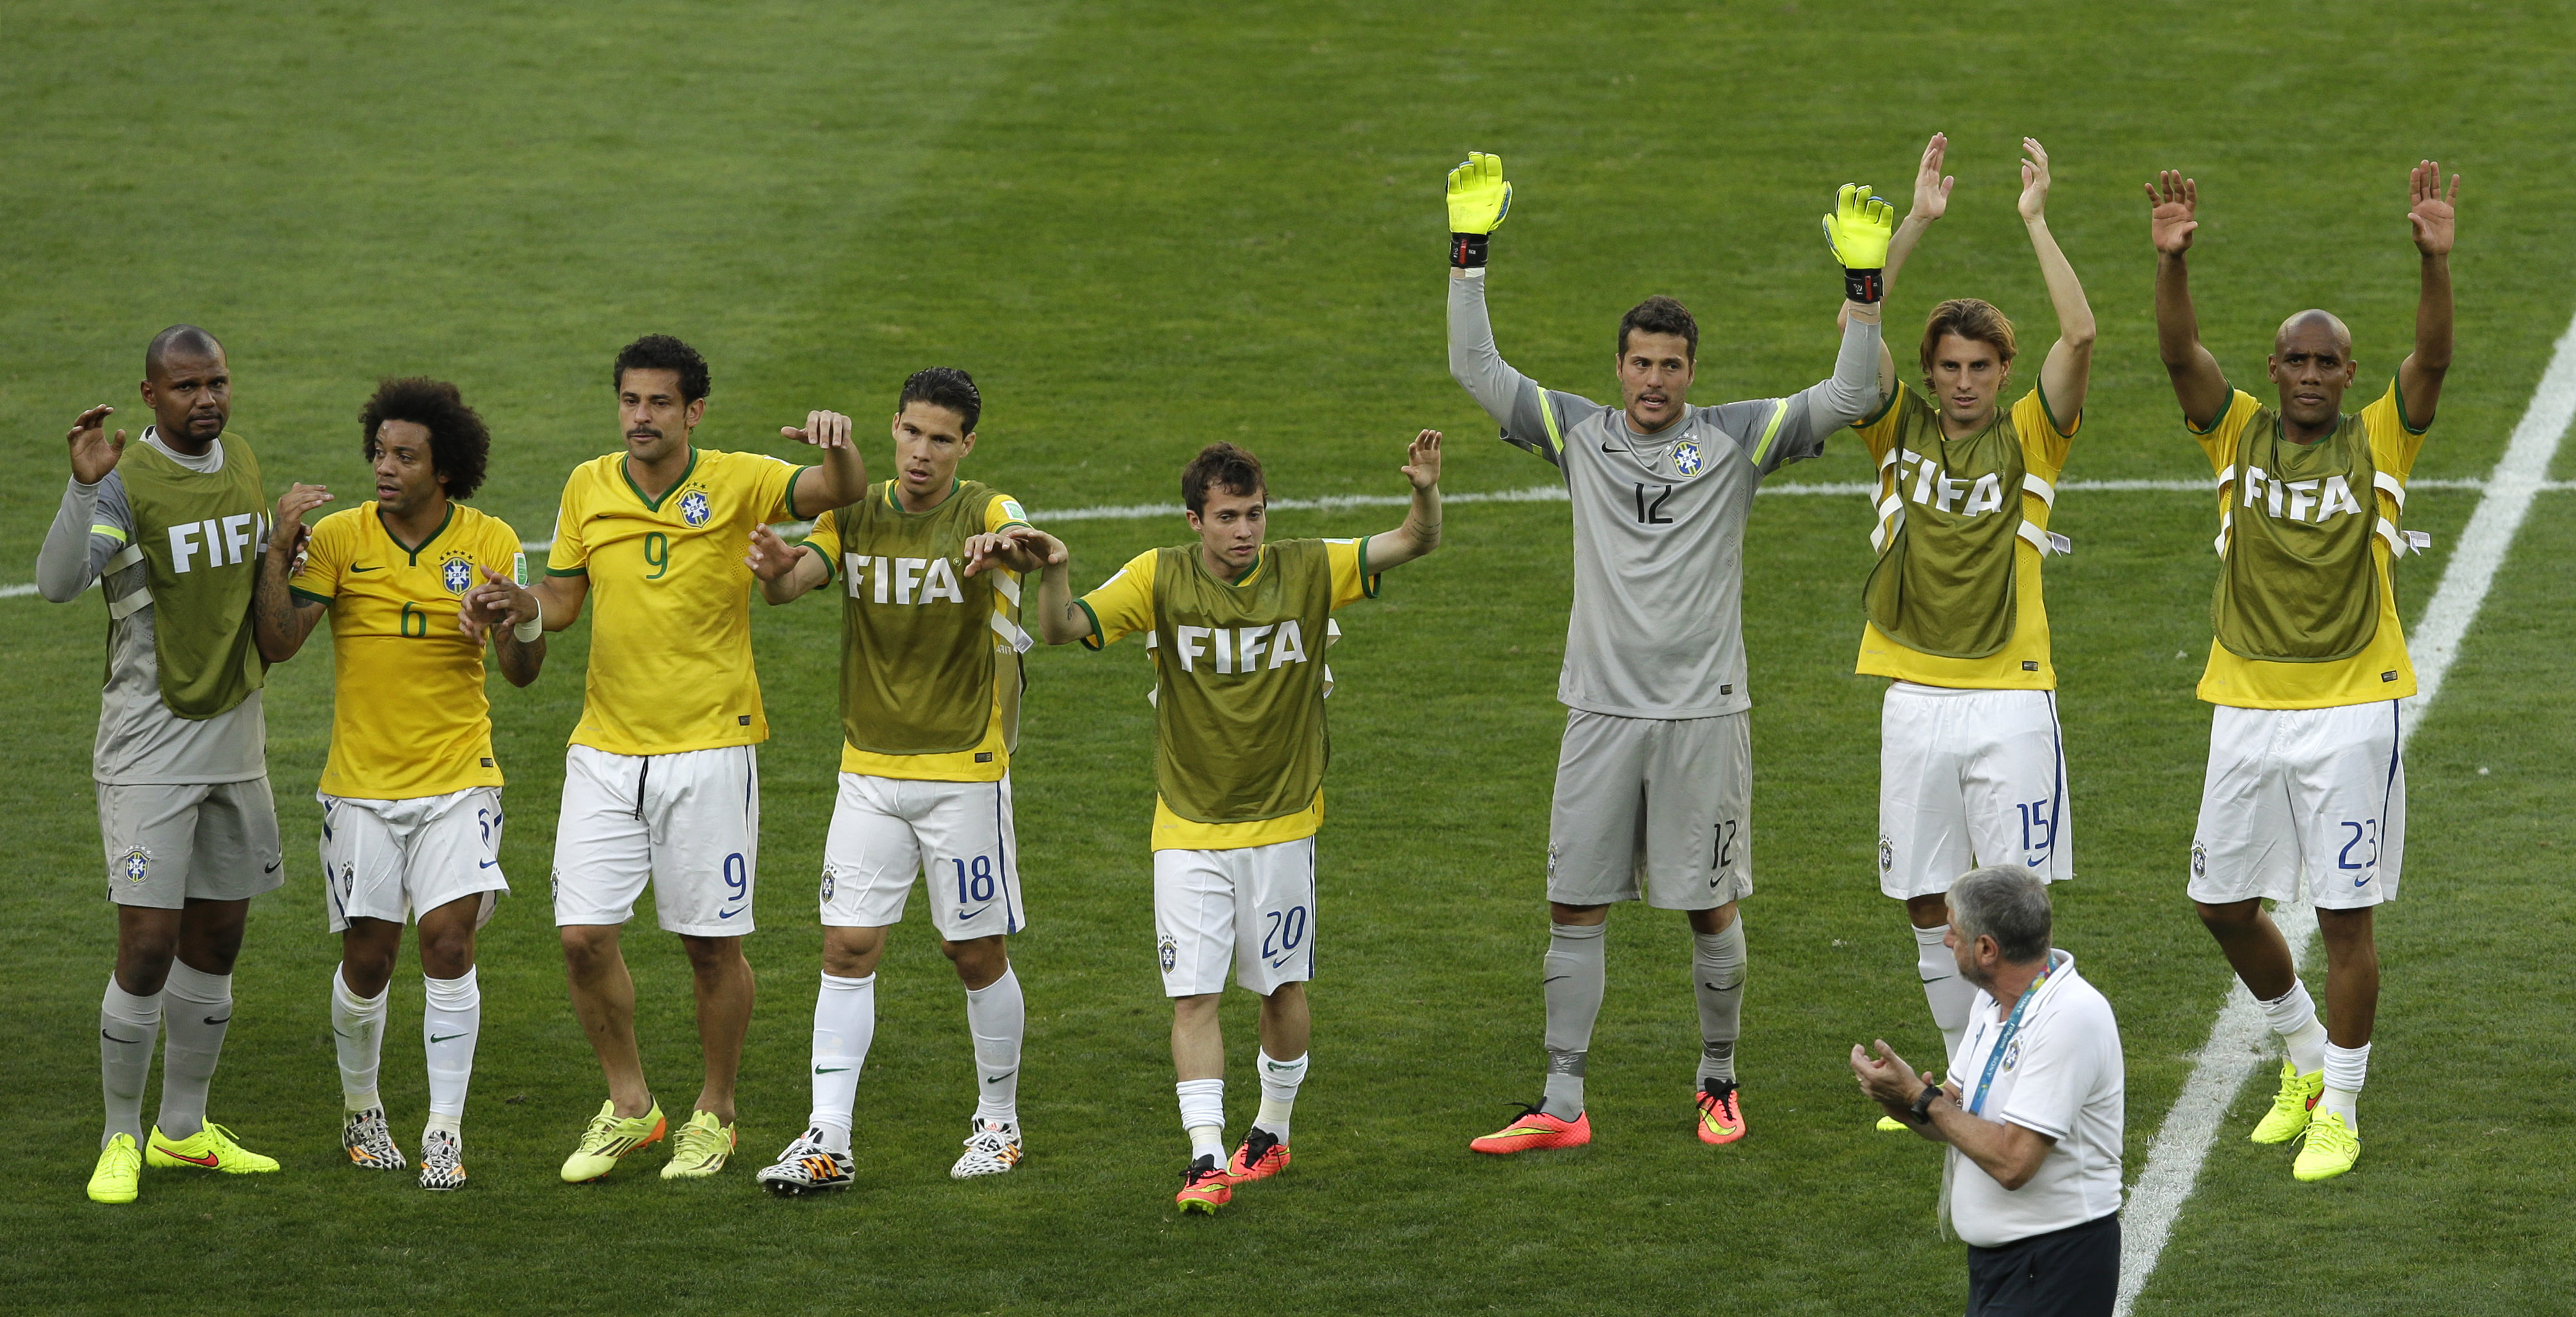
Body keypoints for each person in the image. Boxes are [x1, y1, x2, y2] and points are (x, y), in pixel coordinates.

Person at [1443, 151, 1887, 1152]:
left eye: (1670, 365)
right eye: (1640, 363)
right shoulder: (1576, 433)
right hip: (1599, 710)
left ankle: (1718, 1080)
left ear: (1693, 371)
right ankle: (1562, 1104)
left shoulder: (1737, 438)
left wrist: (1862, 291)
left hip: (1701, 713)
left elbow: (1851, 396)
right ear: (1619, 367)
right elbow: (1477, 370)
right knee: (1573, 900)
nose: (1653, 380)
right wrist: (1468, 255)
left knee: (1708, 905)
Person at [459, 334, 869, 1183]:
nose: (640, 418)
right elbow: (566, 600)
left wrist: (841, 447)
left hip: (711, 747)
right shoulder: (587, 485)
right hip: (605, 748)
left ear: (693, 412)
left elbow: (837, 491)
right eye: (629, 401)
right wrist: (522, 603)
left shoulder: (738, 479)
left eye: (657, 403)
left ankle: (715, 1112)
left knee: (709, 947)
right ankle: (632, 1106)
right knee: (580, 938)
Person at [1025, 432, 1444, 1213]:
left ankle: (1272, 1131)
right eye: (1227, 517)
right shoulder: (1157, 577)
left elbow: (1416, 540)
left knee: (1280, 988)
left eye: (1253, 514)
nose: (1244, 530)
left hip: (1284, 825)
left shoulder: (1310, 566)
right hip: (1186, 826)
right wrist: (1054, 570)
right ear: (1195, 520)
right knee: (1192, 996)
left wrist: (1422, 490)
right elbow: (1059, 629)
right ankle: (1207, 1156)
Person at [2146, 162, 2455, 1182]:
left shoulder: (2380, 439)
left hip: (2351, 713)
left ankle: (2344, 1107)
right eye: (2297, 359)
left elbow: (2433, 361)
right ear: (2272, 370)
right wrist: (2172, 263)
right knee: (2222, 905)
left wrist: (2432, 261)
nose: (2315, 373)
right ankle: (2304, 1058)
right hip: (2245, 705)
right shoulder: (2234, 433)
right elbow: (2176, 352)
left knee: (2341, 916)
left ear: (2345, 371)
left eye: (2330, 360)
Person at [1842, 135, 2096, 1130]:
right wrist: (1912, 227)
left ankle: (2024, 1072)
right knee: (1922, 900)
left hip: (2009, 697)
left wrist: (2035, 222)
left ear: (2000, 370)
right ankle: (1961, 1074)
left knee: (2014, 906)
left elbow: (2077, 340)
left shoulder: (2033, 431)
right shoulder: (1891, 425)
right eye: (1946, 365)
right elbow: (1853, 335)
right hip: (1913, 694)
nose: (1960, 382)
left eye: (1979, 365)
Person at [739, 368, 1043, 1194]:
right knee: (846, 946)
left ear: (966, 445)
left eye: (942, 438)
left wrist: (1000, 548)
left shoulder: (987, 509)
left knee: (973, 950)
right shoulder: (855, 512)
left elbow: (1022, 536)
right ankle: (827, 1137)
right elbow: (793, 584)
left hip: (964, 773)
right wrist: (771, 564)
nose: (921, 452)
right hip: (868, 771)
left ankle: (999, 1124)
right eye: (912, 432)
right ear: (895, 427)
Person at [249, 378, 543, 1191]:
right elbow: (278, 644)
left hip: (458, 779)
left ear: (443, 468)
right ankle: (361, 1107)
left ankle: (445, 1130)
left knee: (448, 944)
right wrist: (280, 552)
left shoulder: (490, 539)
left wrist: (518, 613)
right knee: (369, 960)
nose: (385, 467)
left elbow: (521, 674)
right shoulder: (341, 539)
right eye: (379, 452)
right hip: (360, 787)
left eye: (404, 456)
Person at [38, 326, 286, 1204]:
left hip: (236, 746)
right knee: (146, 945)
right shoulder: (126, 483)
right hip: (147, 751)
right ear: (151, 395)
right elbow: (61, 581)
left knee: (217, 940)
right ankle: (119, 1133)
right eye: (185, 386)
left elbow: (262, 597)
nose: (206, 398)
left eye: (216, 380)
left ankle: (183, 1129)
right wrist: (84, 485)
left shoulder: (243, 462)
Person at [1851, 866, 2124, 1317]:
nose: (1945, 940)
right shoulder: (1991, 1000)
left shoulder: (2069, 1017)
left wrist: (1922, 1100)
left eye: (1953, 931)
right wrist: (1897, 1096)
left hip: (2053, 1263)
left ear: (1985, 949)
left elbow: (2013, 1161)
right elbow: (1955, 1111)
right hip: (2002, 1264)